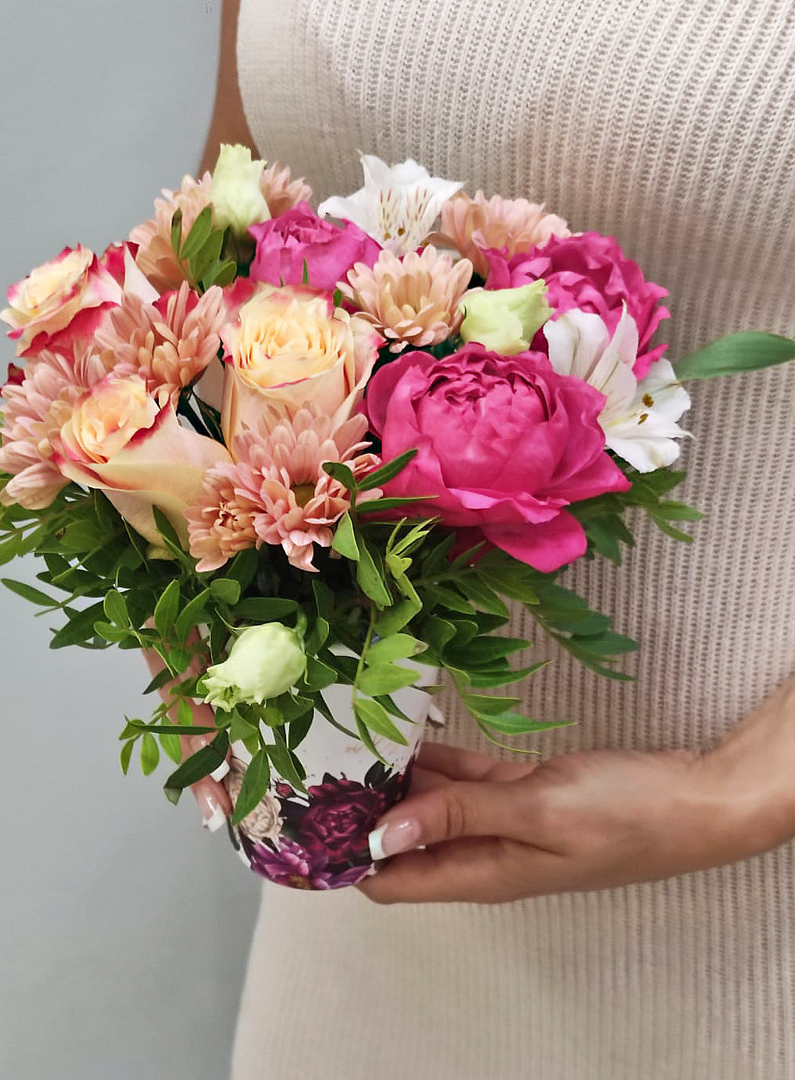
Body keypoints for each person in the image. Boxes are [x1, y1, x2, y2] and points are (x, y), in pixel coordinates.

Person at [170, 2, 794, 1076]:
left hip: (751, 929)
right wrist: (183, 564)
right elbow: (235, 216)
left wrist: (738, 792)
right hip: (363, 927)